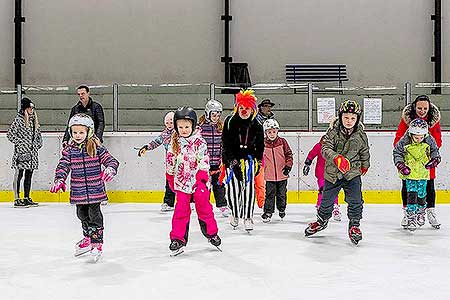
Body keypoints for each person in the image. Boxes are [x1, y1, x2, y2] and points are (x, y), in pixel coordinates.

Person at [50, 114, 119, 262]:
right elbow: (63, 166)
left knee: (95, 215)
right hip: (79, 191)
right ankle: (87, 238)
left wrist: (110, 169)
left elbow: (112, 161)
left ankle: (97, 242)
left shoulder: (96, 147)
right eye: (74, 132)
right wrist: (59, 179)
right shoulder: (69, 150)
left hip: (95, 190)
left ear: (89, 131)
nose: (77, 135)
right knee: (82, 215)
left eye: (81, 132)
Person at [304, 100, 370, 245]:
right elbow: (325, 149)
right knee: (326, 201)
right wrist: (337, 158)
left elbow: (365, 151)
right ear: (340, 117)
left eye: (353, 118)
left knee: (356, 200)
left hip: (352, 174)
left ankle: (354, 225)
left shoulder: (361, 135)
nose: (349, 121)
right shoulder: (332, 132)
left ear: (357, 119)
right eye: (346, 117)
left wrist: (365, 165)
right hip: (333, 173)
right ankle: (321, 221)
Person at [166, 107, 221, 256]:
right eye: (181, 127)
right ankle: (178, 238)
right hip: (182, 183)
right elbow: (170, 160)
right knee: (181, 210)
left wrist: (202, 178)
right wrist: (170, 176)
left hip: (198, 183)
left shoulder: (199, 142)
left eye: (187, 127)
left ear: (193, 126)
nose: (184, 130)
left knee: (204, 208)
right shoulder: (174, 142)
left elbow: (204, 160)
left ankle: (212, 233)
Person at [393, 95, 442, 229]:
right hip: (408, 162)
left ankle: (430, 211)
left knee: (429, 186)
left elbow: (438, 141)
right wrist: (403, 160)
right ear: (415, 107)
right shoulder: (407, 120)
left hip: (426, 162)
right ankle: (407, 213)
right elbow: (398, 140)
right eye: (419, 108)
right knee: (408, 187)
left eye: (425, 108)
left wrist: (430, 154)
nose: (422, 110)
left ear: (429, 108)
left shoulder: (433, 121)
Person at [221, 90, 264, 231]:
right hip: (232, 161)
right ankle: (234, 214)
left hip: (249, 162)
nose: (244, 111)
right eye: (241, 108)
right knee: (233, 190)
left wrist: (257, 161)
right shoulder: (229, 122)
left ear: (252, 109)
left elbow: (260, 145)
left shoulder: (256, 124)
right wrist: (233, 163)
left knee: (249, 191)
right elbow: (226, 145)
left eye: (247, 108)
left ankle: (248, 217)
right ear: (237, 107)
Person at [7, 97, 43, 207]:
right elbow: (10, 135)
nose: (32, 110)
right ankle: (17, 198)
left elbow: (38, 136)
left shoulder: (34, 121)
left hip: (32, 154)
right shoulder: (18, 120)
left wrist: (37, 145)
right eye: (30, 108)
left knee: (29, 175)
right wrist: (22, 143)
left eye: (33, 108)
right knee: (19, 174)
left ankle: (26, 197)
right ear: (25, 109)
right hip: (22, 153)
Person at [138, 111, 175, 212]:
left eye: (171, 122)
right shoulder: (164, 134)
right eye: (167, 123)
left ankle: (190, 202)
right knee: (169, 183)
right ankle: (168, 203)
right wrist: (146, 147)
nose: (169, 125)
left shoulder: (180, 132)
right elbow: (156, 142)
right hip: (170, 164)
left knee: (185, 183)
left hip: (182, 163)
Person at [198, 99, 230, 217]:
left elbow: (224, 144)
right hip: (204, 163)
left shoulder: (221, 128)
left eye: (218, 115)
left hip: (217, 162)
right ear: (207, 114)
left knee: (219, 184)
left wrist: (224, 159)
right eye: (213, 115)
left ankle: (222, 205)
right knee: (204, 186)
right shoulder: (200, 128)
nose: (216, 117)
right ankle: (203, 205)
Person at [261, 119, 293, 223]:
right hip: (269, 175)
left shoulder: (282, 142)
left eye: (274, 132)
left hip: (282, 173)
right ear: (265, 132)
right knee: (270, 194)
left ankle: (282, 208)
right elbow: (259, 157)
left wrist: (288, 166)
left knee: (281, 194)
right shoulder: (263, 144)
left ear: (277, 131)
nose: (272, 134)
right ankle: (268, 212)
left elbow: (289, 155)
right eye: (269, 132)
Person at [303, 136, 341, 221]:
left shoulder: (336, 147)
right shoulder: (319, 146)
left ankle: (335, 208)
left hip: (333, 173)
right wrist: (307, 163)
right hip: (321, 174)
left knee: (334, 191)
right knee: (322, 190)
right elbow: (311, 154)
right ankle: (320, 206)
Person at [254, 98, 275, 208]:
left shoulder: (272, 118)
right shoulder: (256, 119)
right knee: (259, 179)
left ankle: (263, 202)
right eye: (266, 106)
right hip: (258, 150)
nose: (268, 108)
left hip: (269, 150)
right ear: (261, 107)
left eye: (269, 106)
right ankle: (260, 202)